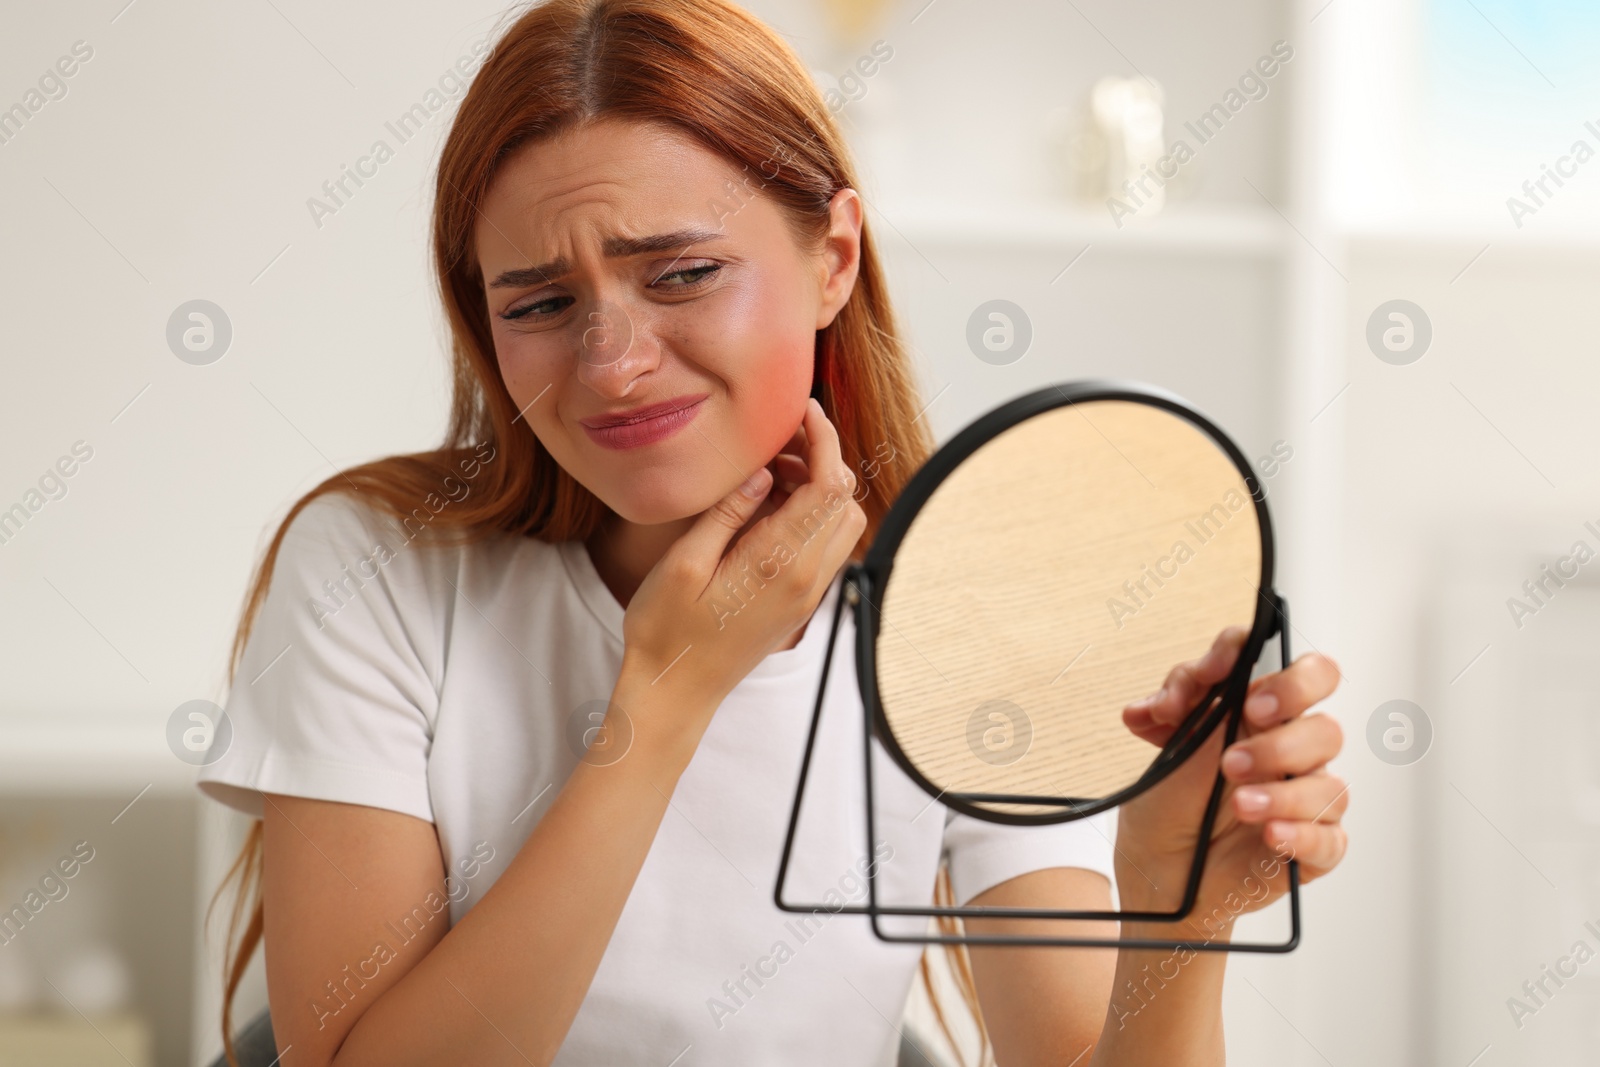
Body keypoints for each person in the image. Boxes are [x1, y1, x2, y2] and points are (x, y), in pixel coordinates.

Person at [198, 1, 1348, 1064]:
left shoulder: (970, 617)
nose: (613, 360)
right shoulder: (376, 563)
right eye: (541, 304)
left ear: (832, 257)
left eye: (685, 272)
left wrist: (1175, 901)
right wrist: (665, 698)